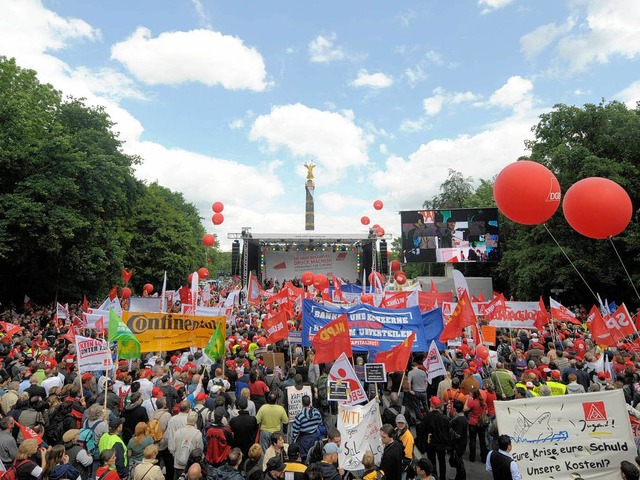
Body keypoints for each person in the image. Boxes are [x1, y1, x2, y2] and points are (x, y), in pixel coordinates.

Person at [170, 411, 203, 480]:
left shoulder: (178, 432)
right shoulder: (198, 434)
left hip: (178, 464)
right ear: (196, 421)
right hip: (190, 467)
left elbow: (172, 447)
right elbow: (200, 451)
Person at [291, 395, 323, 461]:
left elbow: (295, 429)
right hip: (315, 437)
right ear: (310, 402)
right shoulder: (317, 412)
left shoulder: (300, 415)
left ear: (302, 403)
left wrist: (293, 438)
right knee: (315, 456)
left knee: (305, 459)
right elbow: (320, 423)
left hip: (304, 439)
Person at [228, 396, 258, 461]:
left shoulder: (234, 420)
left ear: (238, 406)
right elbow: (255, 432)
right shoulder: (253, 419)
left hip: (237, 445)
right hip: (249, 445)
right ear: (247, 406)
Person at [464, 387, 488, 463]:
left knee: (473, 440)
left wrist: (468, 399)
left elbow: (465, 409)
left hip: (473, 423)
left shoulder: (472, 402)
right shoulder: (482, 401)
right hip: (482, 423)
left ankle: (472, 457)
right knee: (482, 441)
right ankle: (484, 458)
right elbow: (486, 411)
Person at [449, 400, 468, 480]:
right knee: (458, 462)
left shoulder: (459, 420)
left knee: (459, 463)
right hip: (462, 443)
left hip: (458, 445)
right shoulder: (463, 418)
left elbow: (458, 435)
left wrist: (450, 430)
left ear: (455, 409)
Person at [395, 414, 414, 480]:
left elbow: (408, 456)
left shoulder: (408, 437)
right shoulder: (396, 431)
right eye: (399, 423)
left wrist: (402, 468)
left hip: (403, 464)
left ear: (405, 423)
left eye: (402, 423)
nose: (400, 424)